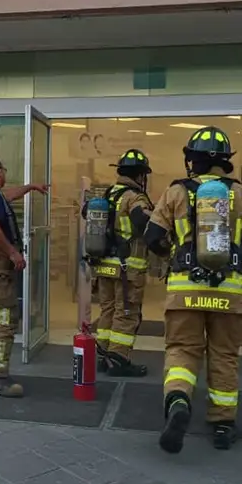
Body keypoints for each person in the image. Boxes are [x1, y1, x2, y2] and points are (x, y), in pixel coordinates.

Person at [143, 127, 242, 453]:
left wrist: (173, 257)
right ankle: (222, 425)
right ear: (225, 163)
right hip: (229, 292)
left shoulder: (175, 193)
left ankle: (178, 401)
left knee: (182, 351)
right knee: (224, 355)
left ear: (191, 160)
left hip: (184, 290)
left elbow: (151, 237)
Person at [0, 156, 48, 397]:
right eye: (4, 171)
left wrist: (31, 187)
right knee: (3, 315)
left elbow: (8, 196)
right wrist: (13, 252)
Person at [89, 149, 154, 377]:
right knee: (126, 313)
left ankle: (103, 356)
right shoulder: (134, 197)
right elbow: (142, 219)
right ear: (139, 175)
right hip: (127, 268)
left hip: (104, 265)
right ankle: (118, 360)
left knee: (107, 310)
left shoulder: (109, 194)